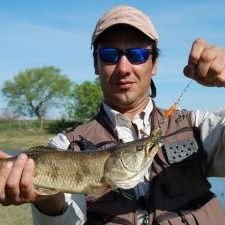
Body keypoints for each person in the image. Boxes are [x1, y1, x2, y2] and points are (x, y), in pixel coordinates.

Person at [0, 4, 225, 225]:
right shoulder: (64, 145)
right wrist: (48, 201)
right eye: (109, 55)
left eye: (137, 54)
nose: (123, 67)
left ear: (154, 63)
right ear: (96, 65)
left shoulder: (199, 125)